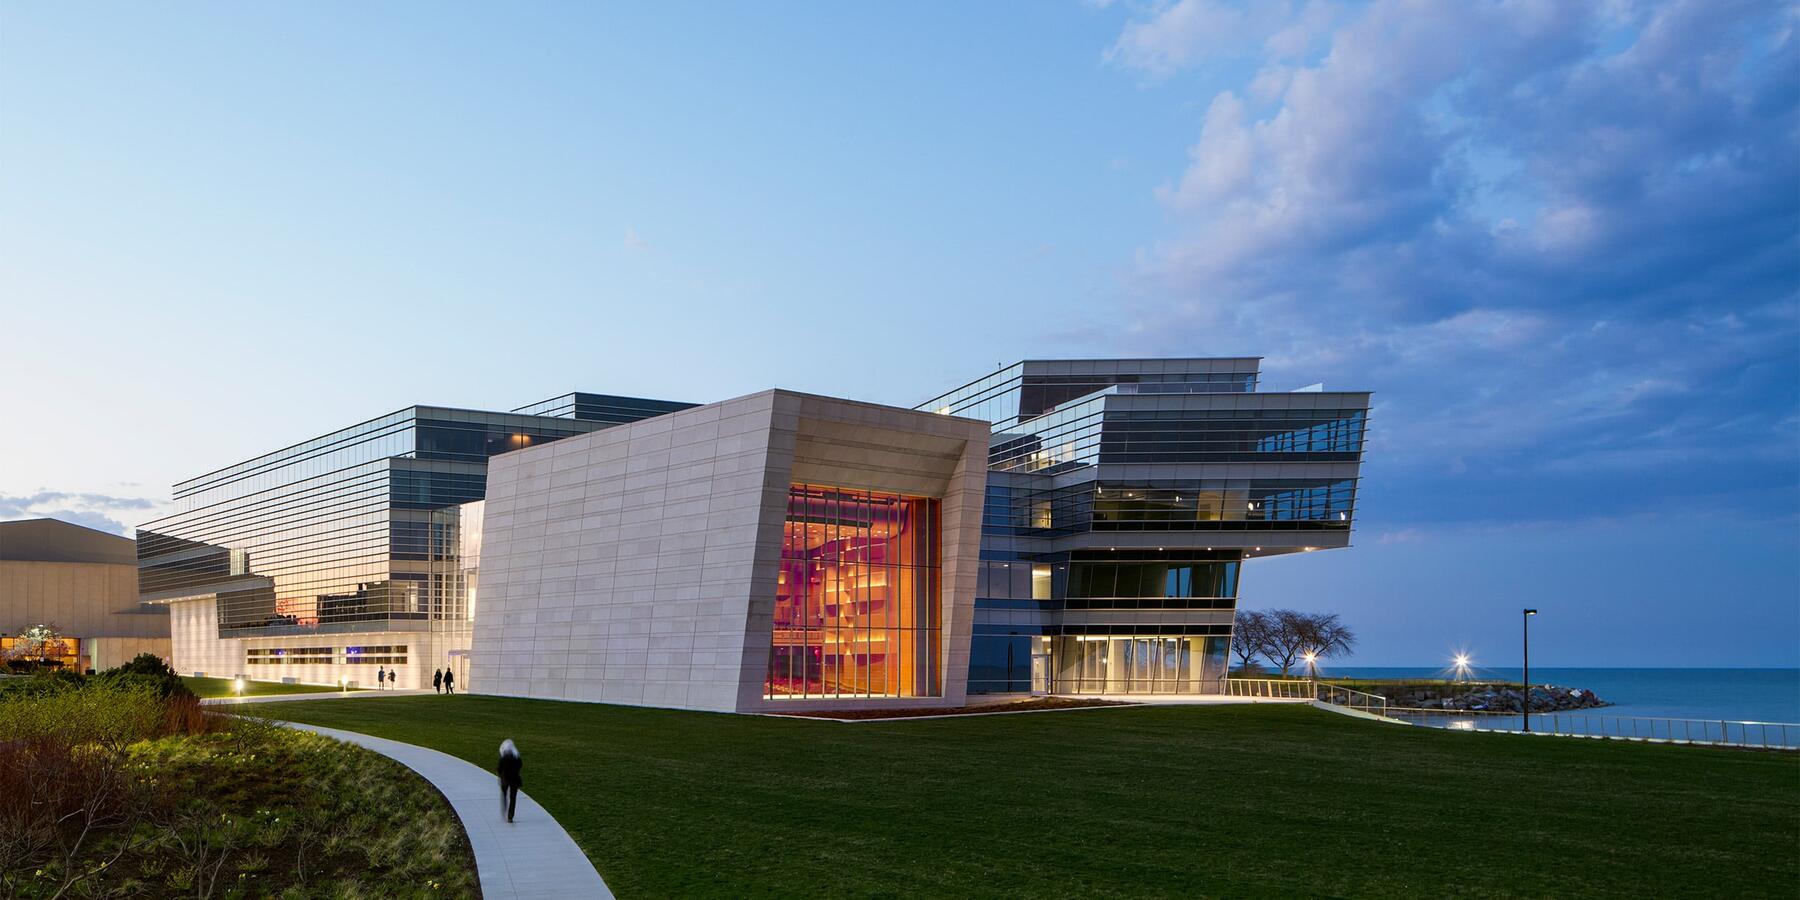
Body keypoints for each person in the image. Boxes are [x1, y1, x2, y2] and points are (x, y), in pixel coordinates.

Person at [497, 739, 522, 823]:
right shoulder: (517, 757)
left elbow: (499, 768)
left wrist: (501, 775)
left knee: (504, 795)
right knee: (513, 798)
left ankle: (504, 808)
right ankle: (510, 816)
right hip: (515, 780)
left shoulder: (503, 758)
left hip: (505, 780)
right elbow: (520, 766)